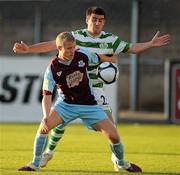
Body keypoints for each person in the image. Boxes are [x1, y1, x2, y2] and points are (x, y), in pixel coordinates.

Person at [13, 6, 171, 171]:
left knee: (111, 128)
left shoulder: (110, 40)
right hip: (69, 87)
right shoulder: (75, 37)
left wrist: (150, 44)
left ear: (104, 22)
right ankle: (47, 153)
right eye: (94, 19)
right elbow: (54, 44)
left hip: (94, 89)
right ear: (87, 20)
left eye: (100, 20)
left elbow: (131, 48)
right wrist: (30, 49)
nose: (97, 23)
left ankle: (118, 160)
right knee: (56, 122)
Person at [18, 32, 142, 172]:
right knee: (44, 127)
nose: (72, 51)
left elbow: (97, 57)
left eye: (73, 47)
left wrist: (109, 59)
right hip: (65, 105)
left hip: (89, 104)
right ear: (59, 48)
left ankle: (121, 163)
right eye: (68, 48)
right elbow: (47, 95)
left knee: (114, 136)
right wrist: (46, 116)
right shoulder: (52, 68)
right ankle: (35, 164)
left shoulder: (82, 54)